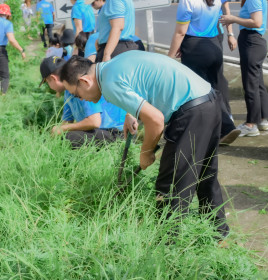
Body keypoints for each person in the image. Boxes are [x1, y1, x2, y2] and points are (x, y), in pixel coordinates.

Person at [60, 52, 230, 239]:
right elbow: (143, 82)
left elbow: (156, 120)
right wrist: (131, 113)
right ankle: (218, 235)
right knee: (206, 174)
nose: (81, 99)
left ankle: (167, 249)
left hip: (192, 110)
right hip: (209, 100)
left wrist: (146, 152)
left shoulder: (108, 84)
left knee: (171, 185)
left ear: (85, 81)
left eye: (77, 94)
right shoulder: (111, 66)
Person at [168, 0, 240, 145]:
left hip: (195, 48)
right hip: (214, 46)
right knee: (214, 90)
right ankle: (225, 127)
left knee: (198, 94)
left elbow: (181, 32)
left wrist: (169, 58)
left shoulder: (187, 1)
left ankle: (212, 131)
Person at [39, 56, 124, 148]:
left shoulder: (80, 86)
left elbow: (94, 122)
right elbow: (67, 121)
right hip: (98, 132)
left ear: (53, 78)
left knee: (67, 138)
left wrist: (63, 128)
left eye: (47, 82)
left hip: (114, 132)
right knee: (60, 137)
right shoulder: (68, 91)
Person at [220, 0, 268, 135]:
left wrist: (233, 18)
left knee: (250, 85)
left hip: (251, 41)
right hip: (255, 41)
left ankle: (251, 125)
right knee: (257, 83)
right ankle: (263, 119)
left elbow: (257, 22)